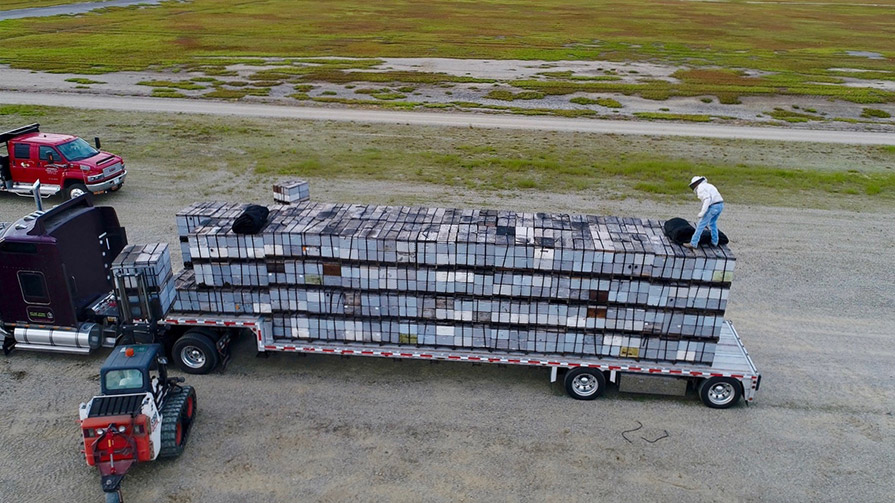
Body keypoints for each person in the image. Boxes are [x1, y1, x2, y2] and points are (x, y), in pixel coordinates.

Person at [684, 175, 724, 248]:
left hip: (713, 206)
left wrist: (702, 212)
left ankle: (693, 243)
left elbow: (707, 199)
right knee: (712, 223)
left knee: (701, 224)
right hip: (720, 205)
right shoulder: (709, 185)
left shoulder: (701, 188)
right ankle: (715, 241)